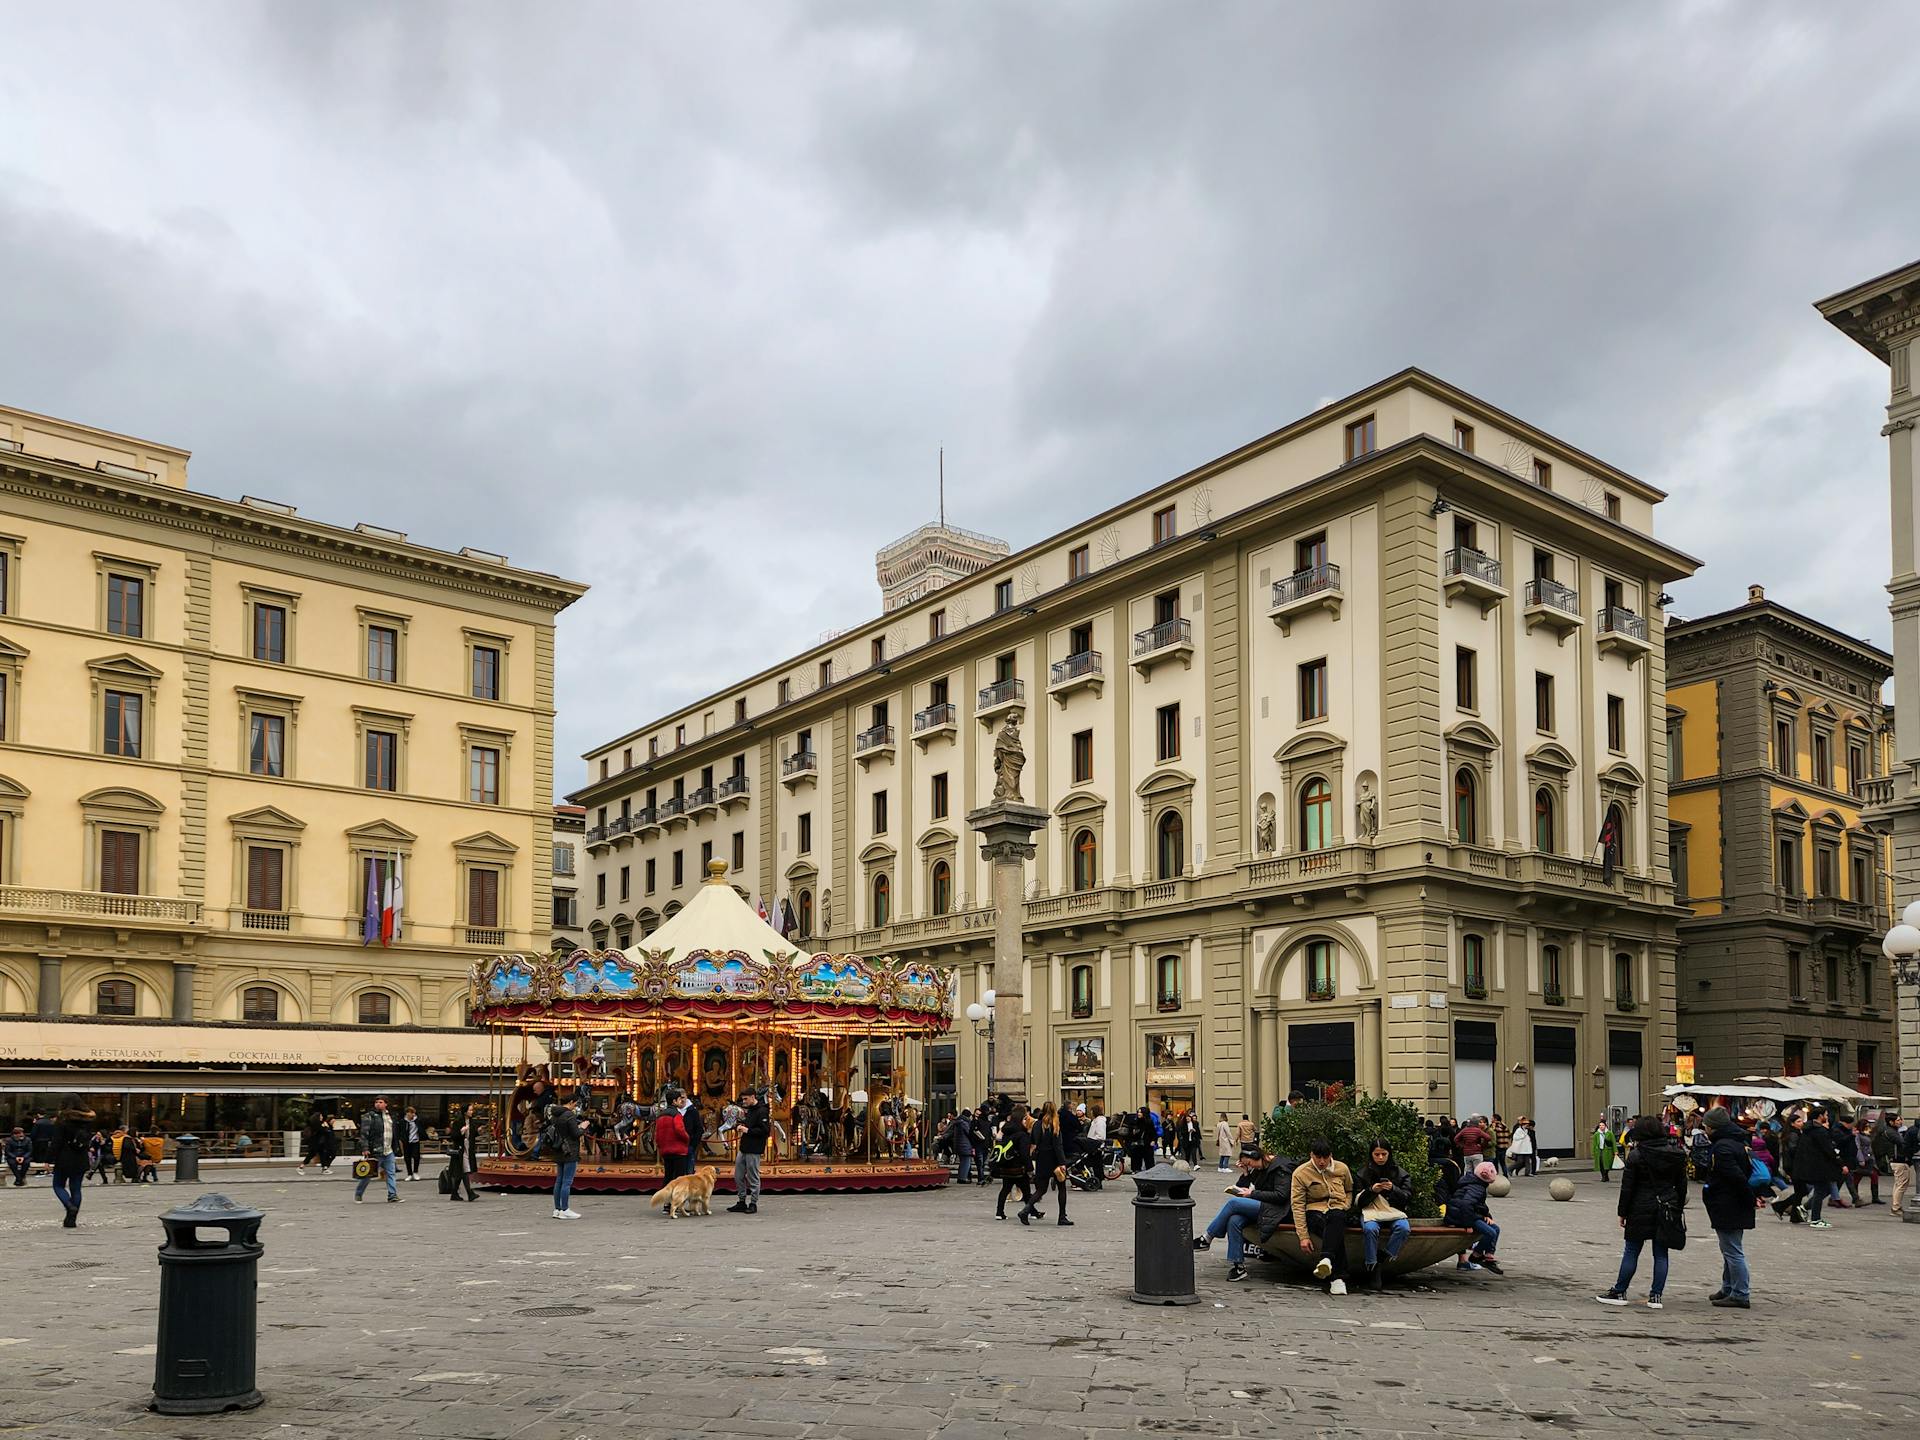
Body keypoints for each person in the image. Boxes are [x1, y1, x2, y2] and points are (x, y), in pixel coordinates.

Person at [1595, 1115, 1687, 1309]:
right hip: (1666, 1206)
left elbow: (1627, 1187)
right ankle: (1656, 1296)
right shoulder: (1676, 1153)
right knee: (1661, 1253)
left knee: (1632, 1251)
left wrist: (1623, 1212)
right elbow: (1681, 1185)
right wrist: (1676, 1206)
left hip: (1640, 1207)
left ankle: (1620, 1291)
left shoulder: (1637, 1155)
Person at [1194, 1150, 1292, 1282]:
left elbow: (1281, 1196)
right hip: (1264, 1205)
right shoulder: (1260, 1167)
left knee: (1233, 1204)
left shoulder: (1280, 1168)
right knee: (1234, 1220)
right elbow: (1244, 1188)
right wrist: (1246, 1173)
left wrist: (1252, 1194)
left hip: (1278, 1210)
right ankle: (1238, 1267)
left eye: (1250, 1163)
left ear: (1258, 1157)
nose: (1251, 1166)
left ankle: (1207, 1238)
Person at [1698, 1107, 1754, 1308]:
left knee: (1732, 1250)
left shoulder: (1722, 1148)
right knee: (1729, 1248)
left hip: (1728, 1203)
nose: (1704, 1129)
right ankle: (1728, 1287)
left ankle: (1740, 1293)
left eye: (1706, 1126)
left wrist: (1749, 1196)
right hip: (1732, 1202)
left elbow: (1735, 1177)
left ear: (1713, 1127)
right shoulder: (1737, 1142)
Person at [1290, 1139, 1355, 1296]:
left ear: (1330, 1156)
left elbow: (1349, 1190)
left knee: (1337, 1218)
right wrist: (1303, 1237)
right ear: (1311, 1155)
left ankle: (1326, 1260)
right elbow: (1297, 1205)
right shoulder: (1301, 1173)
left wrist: (1346, 1204)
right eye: (1318, 1157)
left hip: (1338, 1209)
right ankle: (1338, 1278)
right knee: (1332, 1230)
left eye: (1325, 1158)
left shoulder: (1342, 1168)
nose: (1322, 1162)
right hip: (1315, 1211)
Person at [1351, 1140, 1413, 1292]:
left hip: (1393, 1211)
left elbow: (1407, 1197)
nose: (1380, 1158)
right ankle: (1372, 1266)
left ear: (1389, 1154)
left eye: (1383, 1154)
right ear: (1371, 1155)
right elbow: (1358, 1202)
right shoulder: (1362, 1173)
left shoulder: (1400, 1173)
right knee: (1370, 1229)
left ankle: (1382, 1257)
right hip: (1371, 1210)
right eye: (1376, 1154)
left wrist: (1393, 1189)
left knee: (1403, 1228)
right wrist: (1372, 1191)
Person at [1775, 1109, 1841, 1228]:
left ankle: (1793, 1212)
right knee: (1808, 1190)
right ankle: (1804, 1213)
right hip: (1801, 1166)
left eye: (1801, 1120)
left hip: (1802, 1166)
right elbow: (1796, 1151)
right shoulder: (1797, 1134)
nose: (1801, 1123)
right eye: (1798, 1121)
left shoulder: (1804, 1132)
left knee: (1803, 1191)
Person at [1444, 1161, 1503, 1273]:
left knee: (1495, 1228)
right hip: (1460, 1216)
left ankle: (1488, 1255)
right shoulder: (1477, 1187)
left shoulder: (1477, 1184)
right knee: (1490, 1232)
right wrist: (1468, 1224)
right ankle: (1476, 1255)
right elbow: (1466, 1204)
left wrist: (1486, 1215)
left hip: (1468, 1214)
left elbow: (1480, 1204)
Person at [993, 1103, 1040, 1224]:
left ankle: (999, 1212)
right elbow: (1024, 1153)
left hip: (1006, 1164)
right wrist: (1029, 1168)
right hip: (1018, 1166)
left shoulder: (1006, 1129)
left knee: (1005, 1189)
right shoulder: (1022, 1134)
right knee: (1026, 1190)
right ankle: (1031, 1212)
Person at [51, 1101, 94, 1228]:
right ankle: (71, 1219)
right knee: (76, 1188)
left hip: (64, 1158)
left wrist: (49, 1159)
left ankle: (69, 1206)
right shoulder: (87, 1121)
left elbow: (56, 1142)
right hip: (80, 1158)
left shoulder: (63, 1121)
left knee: (58, 1185)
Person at [727, 1091, 769, 1215]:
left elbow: (765, 1130)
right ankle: (741, 1200)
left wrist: (747, 1130)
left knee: (753, 1176)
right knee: (738, 1176)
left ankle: (753, 1203)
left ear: (752, 1097)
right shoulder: (750, 1110)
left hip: (754, 1148)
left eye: (745, 1099)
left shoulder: (762, 1111)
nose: (744, 1102)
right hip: (744, 1147)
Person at [355, 1097, 403, 1204]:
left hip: (388, 1149)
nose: (378, 1104)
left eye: (380, 1102)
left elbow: (394, 1133)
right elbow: (364, 1133)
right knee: (368, 1174)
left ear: (386, 1104)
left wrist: (396, 1147)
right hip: (376, 1150)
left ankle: (392, 1195)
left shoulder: (391, 1116)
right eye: (376, 1102)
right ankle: (359, 1193)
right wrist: (365, 1148)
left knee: (391, 1173)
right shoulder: (370, 1116)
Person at [1031, 1101, 1070, 1226]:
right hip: (1054, 1159)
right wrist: (1062, 1162)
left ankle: (1025, 1210)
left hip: (1042, 1158)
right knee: (1062, 1188)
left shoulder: (1037, 1124)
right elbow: (1058, 1146)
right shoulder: (1055, 1124)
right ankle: (1062, 1216)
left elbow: (1033, 1141)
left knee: (1041, 1189)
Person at [546, 1096, 582, 1220]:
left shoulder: (555, 1115)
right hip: (570, 1151)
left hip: (559, 1150)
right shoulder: (569, 1115)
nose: (575, 1106)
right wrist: (583, 1126)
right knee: (567, 1181)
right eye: (575, 1103)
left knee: (559, 1181)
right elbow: (576, 1133)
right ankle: (565, 1209)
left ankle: (557, 1209)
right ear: (571, 1102)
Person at [653, 1088, 690, 1188]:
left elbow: (657, 1134)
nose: (681, 1101)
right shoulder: (676, 1115)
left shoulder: (661, 1115)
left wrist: (660, 1146)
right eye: (679, 1099)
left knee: (668, 1176)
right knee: (679, 1177)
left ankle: (666, 1201)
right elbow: (679, 1130)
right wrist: (687, 1138)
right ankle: (676, 1200)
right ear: (674, 1101)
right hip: (678, 1150)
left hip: (666, 1150)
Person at [447, 1104, 481, 1202]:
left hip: (468, 1148)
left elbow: (473, 1135)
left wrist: (478, 1131)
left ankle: (454, 1193)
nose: (472, 1112)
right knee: (465, 1170)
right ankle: (470, 1193)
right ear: (465, 1111)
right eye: (470, 1110)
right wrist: (461, 1131)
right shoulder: (458, 1122)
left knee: (460, 1172)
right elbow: (453, 1136)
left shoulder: (472, 1121)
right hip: (460, 1150)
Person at [951, 1107, 977, 1185]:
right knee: (966, 1162)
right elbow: (969, 1133)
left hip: (959, 1145)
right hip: (965, 1145)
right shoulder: (964, 1123)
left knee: (962, 1162)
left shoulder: (958, 1122)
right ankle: (962, 1178)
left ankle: (961, 1177)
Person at [401, 1106, 424, 1182]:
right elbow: (401, 1131)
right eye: (409, 1113)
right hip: (407, 1142)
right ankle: (409, 1174)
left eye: (412, 1113)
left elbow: (421, 1129)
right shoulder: (403, 1121)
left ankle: (415, 1172)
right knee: (407, 1158)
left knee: (416, 1157)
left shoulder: (417, 1121)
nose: (411, 1115)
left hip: (415, 1141)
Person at [1592, 1118, 1618, 1182]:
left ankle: (1606, 1175)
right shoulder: (1596, 1134)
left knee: (1607, 1164)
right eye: (1600, 1125)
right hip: (1599, 1151)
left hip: (1607, 1151)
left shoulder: (1609, 1133)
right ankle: (1603, 1176)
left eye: (1602, 1125)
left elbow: (1613, 1142)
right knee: (1601, 1163)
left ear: (1605, 1126)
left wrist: (1615, 1151)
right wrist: (1594, 1152)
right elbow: (1594, 1144)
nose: (1601, 1127)